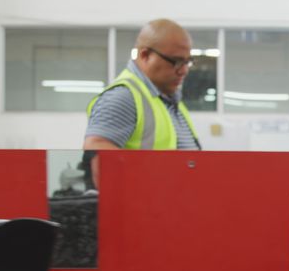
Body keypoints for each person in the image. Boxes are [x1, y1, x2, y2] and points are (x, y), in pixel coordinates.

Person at [83, 18, 201, 187]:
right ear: (145, 55)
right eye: (176, 61)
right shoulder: (124, 97)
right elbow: (99, 153)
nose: (184, 70)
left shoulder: (169, 100)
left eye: (187, 62)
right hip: (149, 210)